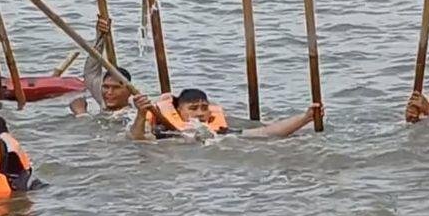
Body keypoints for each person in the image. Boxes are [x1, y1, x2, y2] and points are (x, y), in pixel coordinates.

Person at [129, 88, 323, 141]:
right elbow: (138, 138)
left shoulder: (219, 131)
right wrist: (140, 114)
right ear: (179, 110)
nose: (200, 113)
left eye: (204, 108)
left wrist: (304, 118)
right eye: (193, 108)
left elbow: (266, 133)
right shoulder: (164, 130)